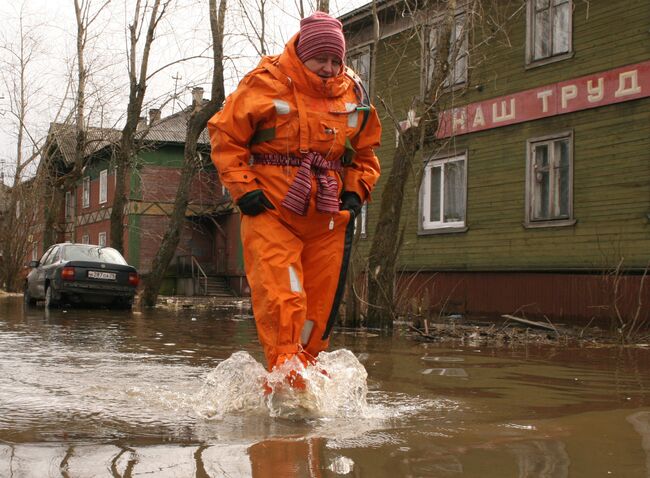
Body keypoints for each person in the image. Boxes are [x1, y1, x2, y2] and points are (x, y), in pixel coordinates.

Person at [208, 11, 381, 386]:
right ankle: (285, 377)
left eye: (336, 60)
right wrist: (245, 189)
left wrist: (355, 192)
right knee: (283, 297)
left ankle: (305, 380)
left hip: (328, 217)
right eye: (322, 58)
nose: (329, 67)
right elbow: (226, 136)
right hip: (273, 210)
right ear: (303, 53)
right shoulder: (265, 82)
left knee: (318, 307)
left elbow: (366, 155)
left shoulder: (354, 93)